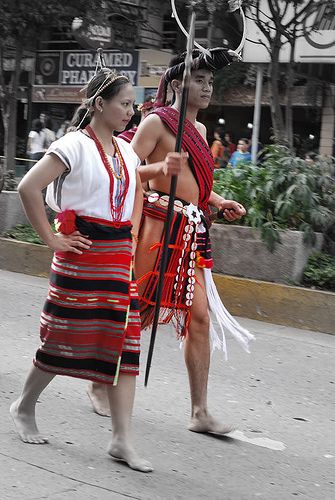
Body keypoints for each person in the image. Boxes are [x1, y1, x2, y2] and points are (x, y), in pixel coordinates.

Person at [9, 68, 182, 473]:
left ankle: (122, 439)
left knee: (124, 348)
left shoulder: (125, 150)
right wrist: (52, 241)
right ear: (100, 105)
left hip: (118, 256)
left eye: (133, 105)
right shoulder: (72, 145)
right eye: (124, 104)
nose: (131, 111)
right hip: (80, 254)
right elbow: (27, 188)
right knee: (62, 338)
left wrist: (154, 181)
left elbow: (133, 184)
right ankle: (25, 403)